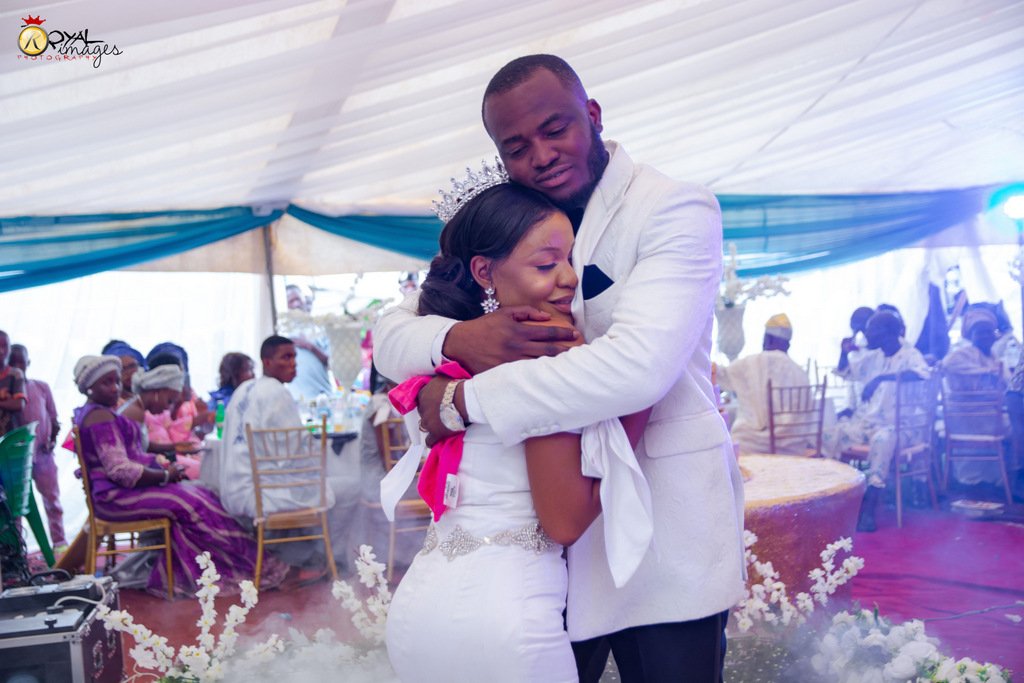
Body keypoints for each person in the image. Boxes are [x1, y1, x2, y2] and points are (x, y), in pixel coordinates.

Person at [375, 54, 745, 681]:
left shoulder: (673, 207)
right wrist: (461, 337)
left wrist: (462, 402)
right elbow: (391, 334)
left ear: (592, 115)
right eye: (516, 147)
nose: (541, 156)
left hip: (658, 527)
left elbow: (638, 369)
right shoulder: (510, 216)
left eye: (556, 129)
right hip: (540, 553)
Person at [384, 178, 652, 682]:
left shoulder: (445, 349)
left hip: (419, 604)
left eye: (570, 259)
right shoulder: (548, 350)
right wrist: (640, 400)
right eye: (546, 265)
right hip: (507, 616)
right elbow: (564, 522)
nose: (569, 278)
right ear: (484, 272)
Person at [71, 356, 285, 597]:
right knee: (192, 503)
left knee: (200, 492)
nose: (115, 388)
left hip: (119, 493)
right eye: (106, 383)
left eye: (116, 382)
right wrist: (164, 475)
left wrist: (165, 469)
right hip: (115, 499)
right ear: (88, 387)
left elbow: (132, 455)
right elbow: (120, 470)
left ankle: (226, 565)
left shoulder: (99, 413)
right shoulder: (99, 418)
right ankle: (232, 568)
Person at [822, 311, 931, 531]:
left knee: (883, 440)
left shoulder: (910, 354)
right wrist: (844, 353)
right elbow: (847, 372)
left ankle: (869, 508)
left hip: (901, 427)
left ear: (887, 333)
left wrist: (882, 378)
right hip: (868, 423)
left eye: (871, 331)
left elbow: (922, 374)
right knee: (829, 435)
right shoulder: (875, 356)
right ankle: (838, 499)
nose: (866, 335)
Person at [717, 314, 813, 455]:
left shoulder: (751, 363)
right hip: (792, 448)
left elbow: (721, 375)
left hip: (753, 445)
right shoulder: (801, 373)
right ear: (788, 344)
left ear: (767, 339)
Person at [7, 344, 66, 549]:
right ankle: (17, 549)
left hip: (42, 454)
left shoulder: (41, 387)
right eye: (12, 363)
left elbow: (54, 418)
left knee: (52, 499)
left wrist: (52, 440)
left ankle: (59, 543)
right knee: (15, 506)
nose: (17, 367)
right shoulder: (7, 394)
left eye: (21, 362)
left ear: (28, 363)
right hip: (15, 458)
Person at [284, 284, 334, 403]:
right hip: (297, 400)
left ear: (304, 300)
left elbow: (332, 363)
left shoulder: (320, 328)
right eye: (291, 301)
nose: (296, 304)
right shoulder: (282, 331)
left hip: (324, 397)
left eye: (298, 299)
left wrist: (310, 346)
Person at [101, 340, 145, 405]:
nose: (129, 372)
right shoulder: (110, 406)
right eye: (122, 369)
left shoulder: (151, 399)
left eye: (132, 366)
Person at [0, 330, 26, 437]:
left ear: (10, 349)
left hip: (9, 437)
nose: (1, 351)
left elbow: (19, 404)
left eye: (4, 346)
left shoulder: (15, 374)